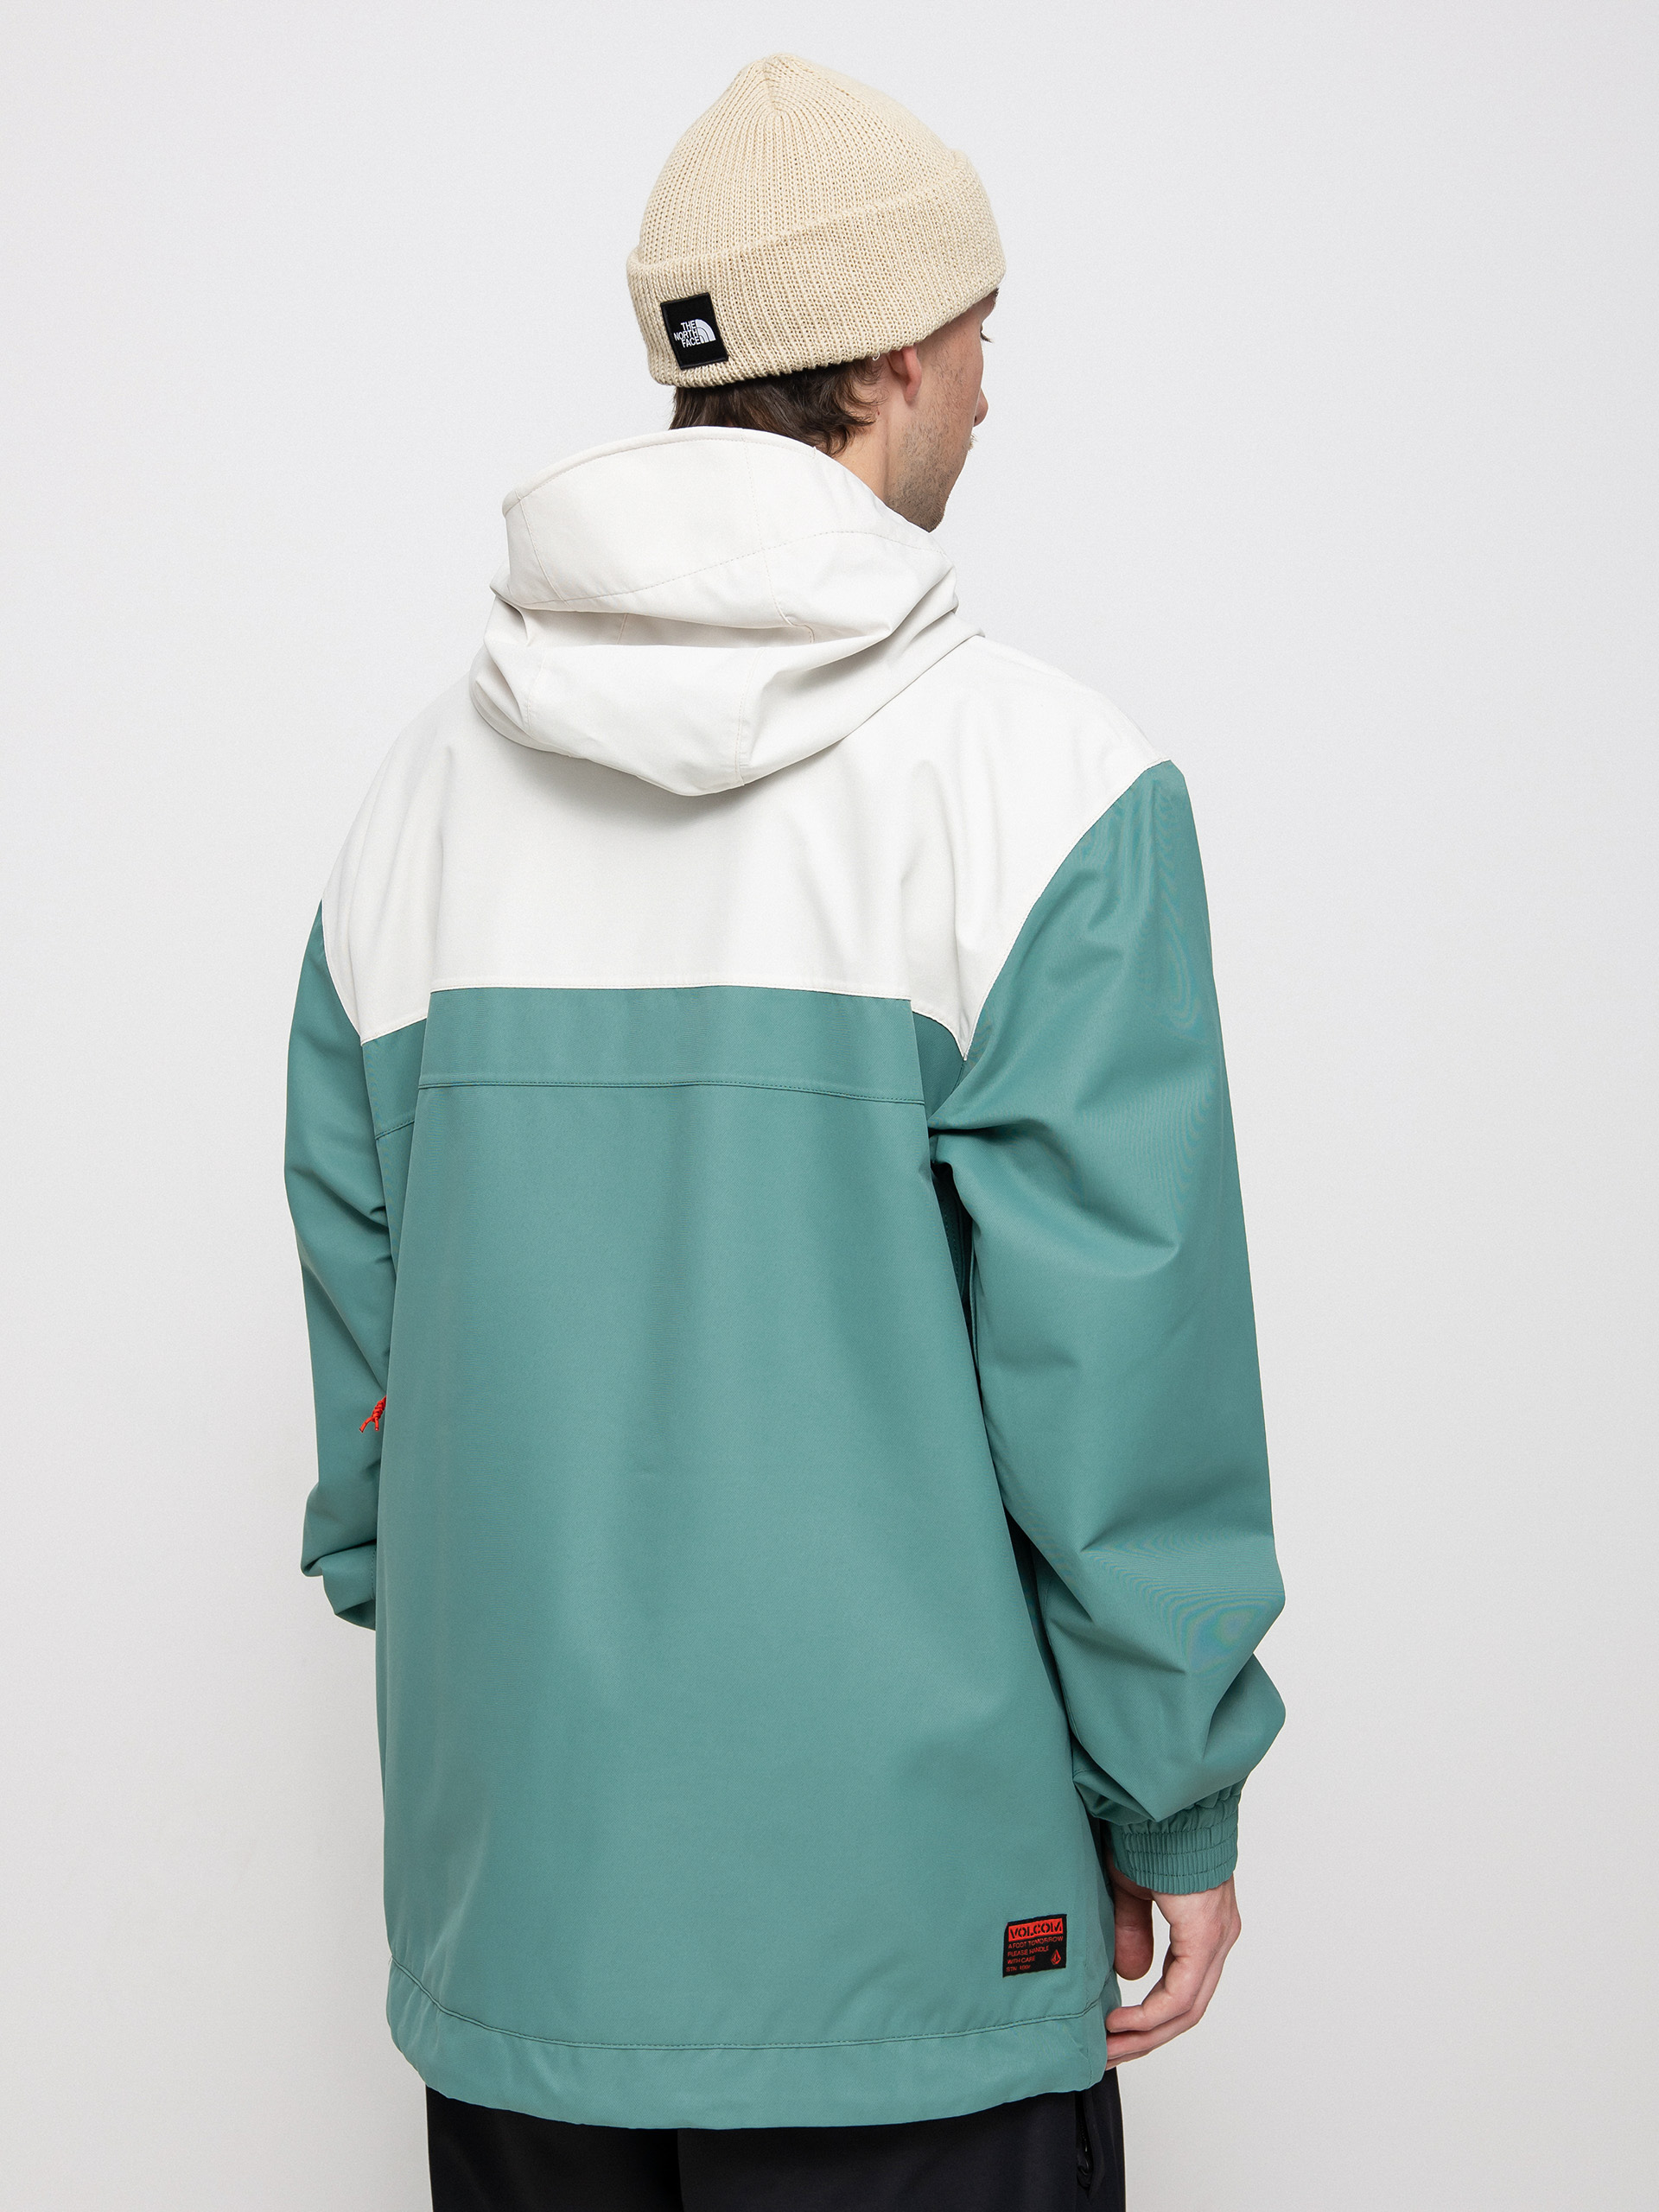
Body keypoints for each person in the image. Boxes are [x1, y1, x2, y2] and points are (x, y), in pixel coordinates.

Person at [285, 52, 1285, 2212]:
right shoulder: (1043, 786)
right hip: (913, 1939)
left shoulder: (417, 805)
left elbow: (373, 1370)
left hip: (525, 1911)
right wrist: (1176, 1790)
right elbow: (1119, 1378)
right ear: (904, 355)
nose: (996, 394)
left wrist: (474, 1651)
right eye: (986, 338)